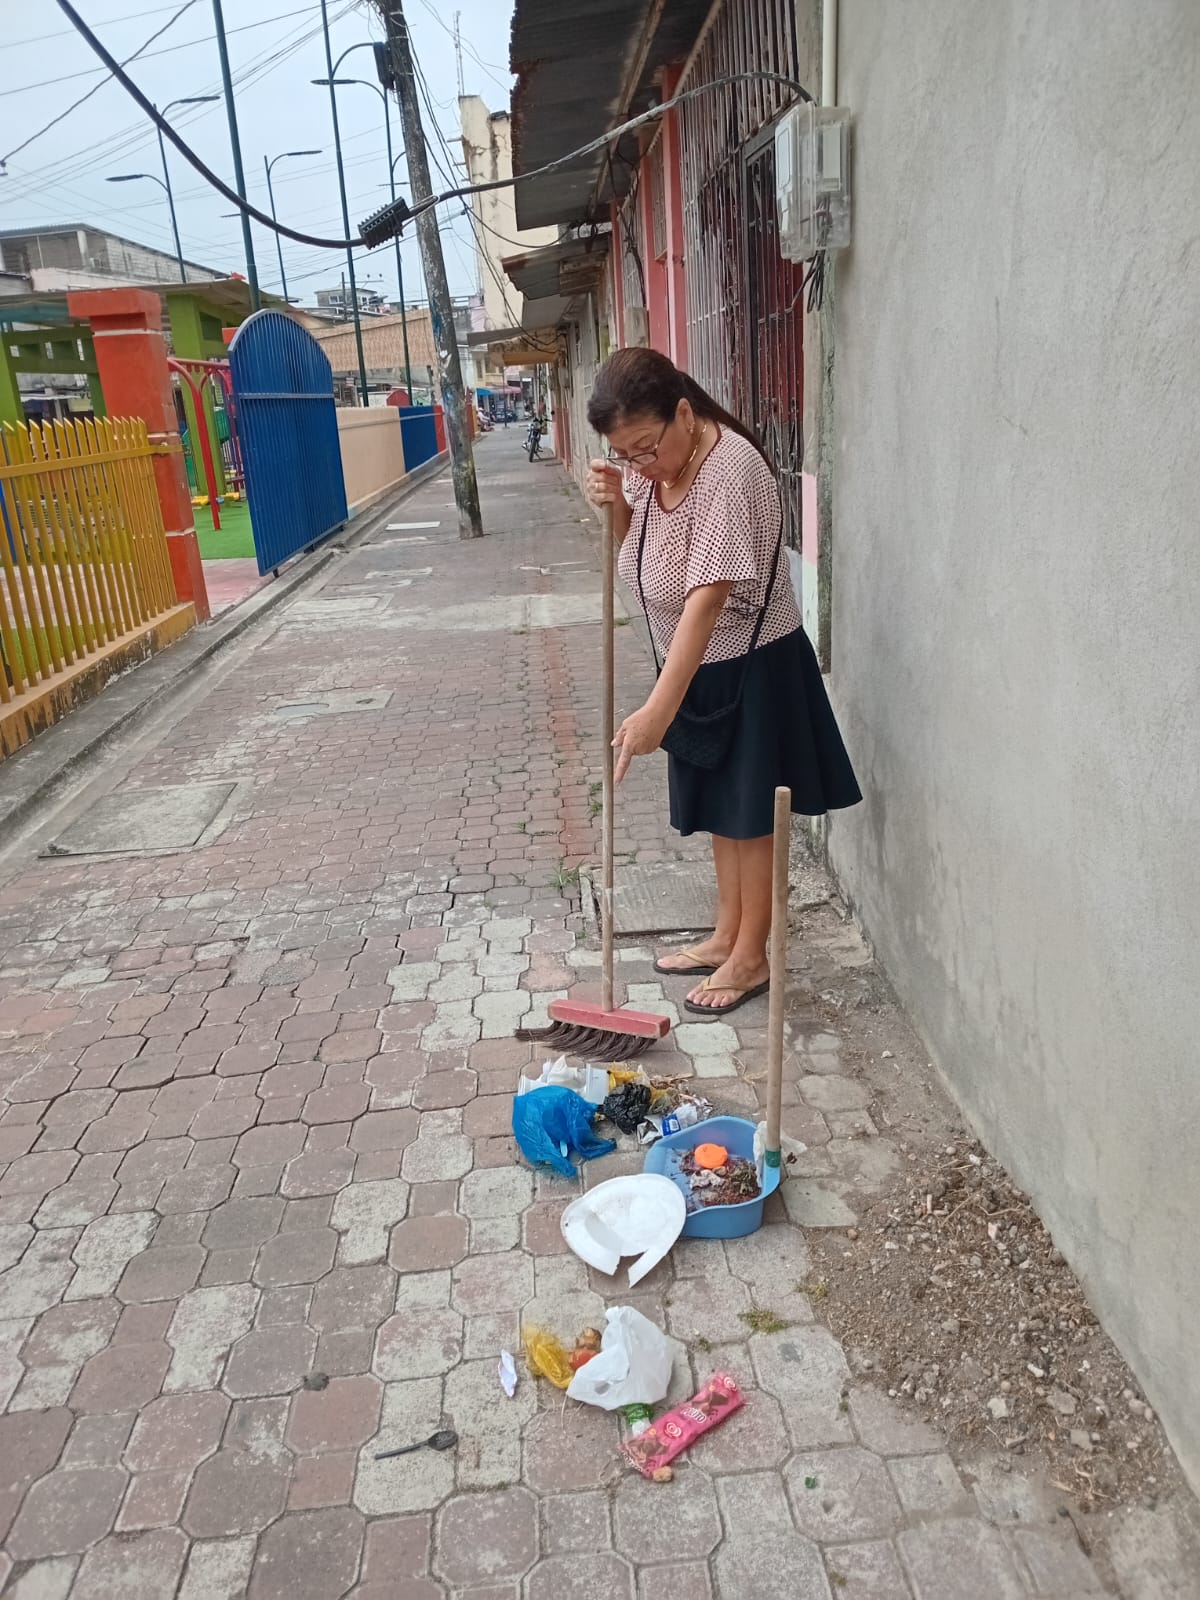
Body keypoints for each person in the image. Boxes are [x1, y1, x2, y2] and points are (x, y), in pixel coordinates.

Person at [585, 347, 861, 1017]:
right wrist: (618, 504)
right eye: (625, 455)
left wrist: (658, 710)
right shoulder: (654, 471)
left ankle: (752, 956)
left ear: (684, 412)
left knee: (751, 816)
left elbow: (707, 600)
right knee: (722, 815)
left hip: (751, 668)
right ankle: (726, 935)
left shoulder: (727, 470)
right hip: (696, 666)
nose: (641, 464)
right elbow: (642, 552)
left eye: (646, 447)